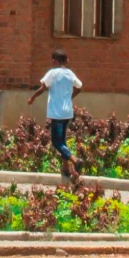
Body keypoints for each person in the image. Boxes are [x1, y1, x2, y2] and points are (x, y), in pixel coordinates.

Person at [25, 51, 82, 179]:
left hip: (57, 113)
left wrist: (32, 98)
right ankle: (65, 168)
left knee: (56, 142)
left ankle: (75, 160)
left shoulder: (53, 73)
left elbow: (43, 87)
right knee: (62, 141)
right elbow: (79, 87)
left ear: (55, 61)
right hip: (67, 112)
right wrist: (69, 97)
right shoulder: (70, 73)